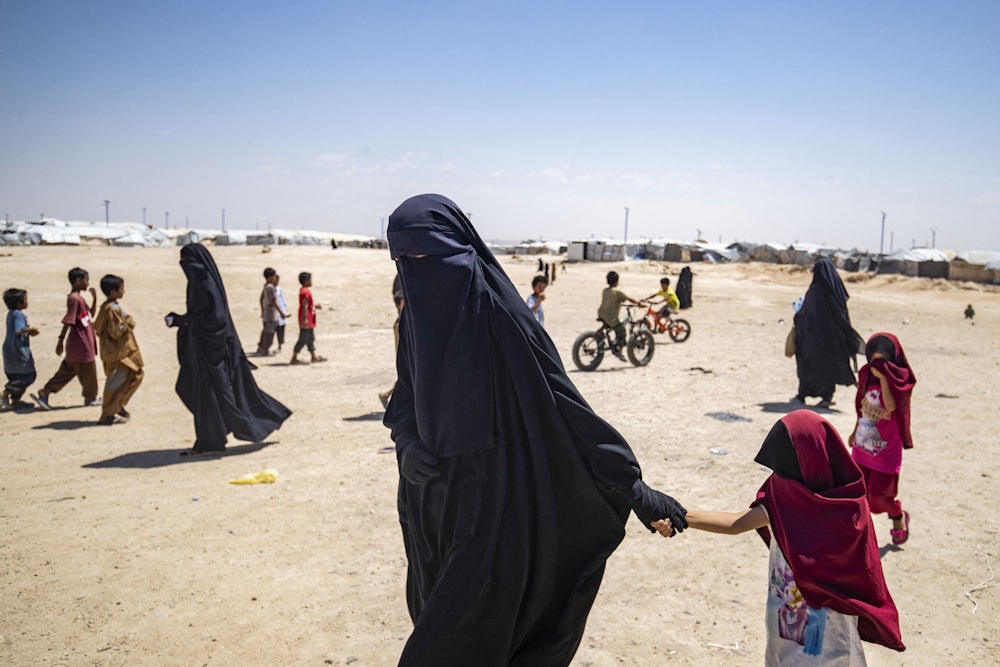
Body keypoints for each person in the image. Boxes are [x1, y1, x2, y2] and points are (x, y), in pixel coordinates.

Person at [383, 194, 687, 666]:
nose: (417, 270)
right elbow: (404, 397)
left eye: (428, 257)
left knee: (445, 645)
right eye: (404, 260)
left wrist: (630, 486)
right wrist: (406, 444)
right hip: (431, 503)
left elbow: (562, 404)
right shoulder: (416, 317)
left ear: (459, 251)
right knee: (446, 622)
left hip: (497, 500)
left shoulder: (500, 316)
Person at [653, 410, 906, 662]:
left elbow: (862, 570)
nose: (780, 476)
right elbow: (736, 523)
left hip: (828, 629)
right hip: (787, 617)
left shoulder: (848, 505)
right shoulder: (784, 494)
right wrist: (679, 515)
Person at [165, 244, 291, 456]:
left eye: (189, 261)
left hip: (215, 351)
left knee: (222, 395)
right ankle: (209, 440)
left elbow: (215, 320)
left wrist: (183, 320)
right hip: (203, 351)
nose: (186, 266)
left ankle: (247, 426)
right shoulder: (197, 282)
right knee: (198, 392)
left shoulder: (205, 283)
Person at [848, 333, 916, 546]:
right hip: (862, 445)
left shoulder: (899, 381)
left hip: (886, 450)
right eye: (874, 360)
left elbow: (891, 407)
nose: (878, 366)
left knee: (879, 499)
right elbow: (862, 407)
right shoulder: (867, 376)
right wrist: (854, 430)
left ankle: (897, 516)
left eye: (883, 361)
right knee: (857, 494)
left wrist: (885, 378)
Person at [792, 258, 863, 408]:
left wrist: (797, 316)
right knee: (828, 368)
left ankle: (803, 394)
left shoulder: (817, 290)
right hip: (833, 339)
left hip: (813, 339)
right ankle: (826, 396)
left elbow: (808, 313)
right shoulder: (837, 291)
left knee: (808, 366)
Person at [31, 267, 101, 410]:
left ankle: (45, 392)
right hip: (81, 343)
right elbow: (68, 321)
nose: (88, 283)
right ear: (77, 281)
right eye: (86, 280)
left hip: (80, 343)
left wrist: (94, 299)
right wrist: (60, 340)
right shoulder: (74, 299)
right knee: (89, 372)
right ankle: (91, 398)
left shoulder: (79, 299)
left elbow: (89, 316)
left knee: (67, 371)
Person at [93, 274, 144, 425]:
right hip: (118, 354)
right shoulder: (112, 309)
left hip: (117, 353)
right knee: (115, 383)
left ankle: (117, 405)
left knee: (135, 375)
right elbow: (116, 332)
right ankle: (107, 414)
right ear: (112, 292)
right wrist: (128, 322)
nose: (124, 291)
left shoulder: (107, 307)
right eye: (121, 289)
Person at [2, 288, 39, 409]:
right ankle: (5, 393)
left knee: (15, 376)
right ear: (19, 303)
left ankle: (16, 401)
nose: (27, 302)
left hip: (8, 349)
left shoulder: (10, 314)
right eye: (25, 300)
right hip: (18, 350)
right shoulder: (19, 315)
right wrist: (30, 330)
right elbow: (18, 331)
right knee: (28, 375)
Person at [598, 270, 641, 360]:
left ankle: (598, 334)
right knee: (621, 331)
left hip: (601, 314)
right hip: (611, 317)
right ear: (617, 281)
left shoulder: (605, 290)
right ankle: (619, 352)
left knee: (608, 324)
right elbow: (629, 298)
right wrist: (639, 304)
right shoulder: (617, 292)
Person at [289, 272, 326, 365]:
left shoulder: (304, 291)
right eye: (310, 279)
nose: (311, 281)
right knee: (303, 339)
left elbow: (307, 304)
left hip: (309, 318)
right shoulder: (305, 291)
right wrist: (305, 318)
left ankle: (313, 356)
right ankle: (294, 357)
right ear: (306, 281)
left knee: (310, 338)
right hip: (307, 319)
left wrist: (314, 306)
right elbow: (304, 305)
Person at [378, 277, 404, 408]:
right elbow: (401, 300)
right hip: (403, 327)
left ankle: (387, 395)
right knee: (407, 369)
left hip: (406, 326)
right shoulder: (403, 275)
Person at [253, 267, 287, 357]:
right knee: (269, 333)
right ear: (270, 277)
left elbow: (261, 298)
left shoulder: (265, 286)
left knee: (266, 332)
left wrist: (262, 311)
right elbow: (273, 301)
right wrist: (281, 313)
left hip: (267, 313)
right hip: (271, 313)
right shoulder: (271, 287)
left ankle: (261, 348)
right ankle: (264, 350)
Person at [274, 273, 289, 353]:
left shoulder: (279, 288)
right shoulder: (271, 288)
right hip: (275, 312)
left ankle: (280, 345)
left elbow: (282, 300)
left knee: (281, 329)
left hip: (281, 311)